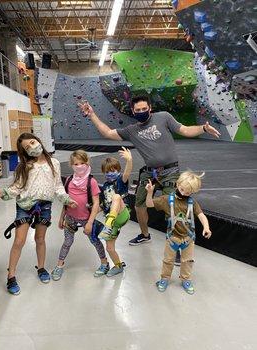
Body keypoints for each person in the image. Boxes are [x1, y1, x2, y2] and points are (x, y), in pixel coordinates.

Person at [78, 95, 220, 247]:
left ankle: (178, 242)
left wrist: (204, 128)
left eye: (144, 109)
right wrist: (92, 115)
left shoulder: (164, 117)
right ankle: (145, 235)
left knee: (173, 207)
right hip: (149, 173)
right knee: (139, 205)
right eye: (138, 110)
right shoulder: (131, 130)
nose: (141, 111)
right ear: (133, 111)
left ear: (150, 108)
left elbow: (184, 130)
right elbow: (108, 133)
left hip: (170, 171)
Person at [0, 133, 77, 295]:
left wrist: (67, 199)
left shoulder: (54, 163)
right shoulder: (24, 166)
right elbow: (17, 187)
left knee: (40, 239)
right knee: (19, 240)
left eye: (32, 142)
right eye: (27, 147)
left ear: (38, 140)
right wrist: (2, 192)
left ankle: (42, 268)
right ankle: (11, 276)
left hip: (45, 206)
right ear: (24, 151)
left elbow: (58, 186)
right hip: (25, 205)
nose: (32, 147)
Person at [145, 171, 212, 294]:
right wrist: (149, 193)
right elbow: (149, 204)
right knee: (168, 261)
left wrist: (206, 227)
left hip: (188, 238)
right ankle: (164, 278)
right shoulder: (166, 200)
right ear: (177, 184)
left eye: (188, 192)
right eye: (182, 189)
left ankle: (186, 279)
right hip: (172, 238)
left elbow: (201, 215)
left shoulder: (192, 203)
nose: (184, 193)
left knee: (187, 261)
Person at [51, 150, 109, 281]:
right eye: (76, 164)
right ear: (71, 165)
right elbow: (66, 201)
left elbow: (96, 203)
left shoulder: (91, 182)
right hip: (70, 218)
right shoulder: (69, 181)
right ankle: (59, 265)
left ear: (87, 163)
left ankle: (105, 263)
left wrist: (90, 222)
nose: (79, 166)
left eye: (82, 163)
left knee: (95, 240)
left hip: (86, 219)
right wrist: (61, 217)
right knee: (67, 242)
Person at [97, 147, 132, 277]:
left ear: (118, 170)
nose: (110, 173)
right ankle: (118, 266)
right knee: (109, 248)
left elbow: (127, 173)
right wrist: (90, 213)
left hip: (122, 213)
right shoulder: (105, 186)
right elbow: (104, 204)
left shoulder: (120, 181)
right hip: (112, 221)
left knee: (116, 197)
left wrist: (129, 161)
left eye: (114, 170)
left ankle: (108, 225)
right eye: (107, 171)